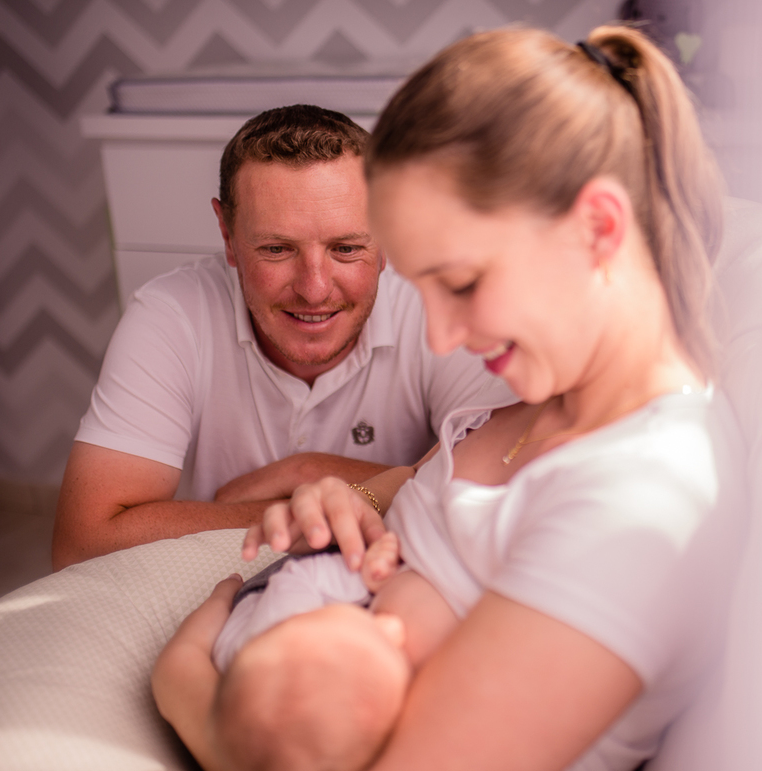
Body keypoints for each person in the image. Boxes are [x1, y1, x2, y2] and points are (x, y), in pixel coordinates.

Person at [153, 24, 746, 771]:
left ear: (599, 229)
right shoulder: (534, 407)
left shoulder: (640, 501)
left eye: (462, 283)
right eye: (421, 287)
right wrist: (342, 501)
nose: (439, 337)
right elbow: (409, 502)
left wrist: (184, 684)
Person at [53, 105, 512, 571]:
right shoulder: (171, 315)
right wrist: (343, 505)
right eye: (276, 249)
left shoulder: (441, 312)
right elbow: (82, 543)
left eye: (346, 248)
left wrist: (307, 469)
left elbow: (505, 500)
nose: (314, 289)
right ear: (228, 236)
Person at [209, 538, 408, 771]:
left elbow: (301, 575)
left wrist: (368, 579)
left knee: (351, 552)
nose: (394, 628)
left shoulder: (288, 612)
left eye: (375, 629)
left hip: (275, 591)